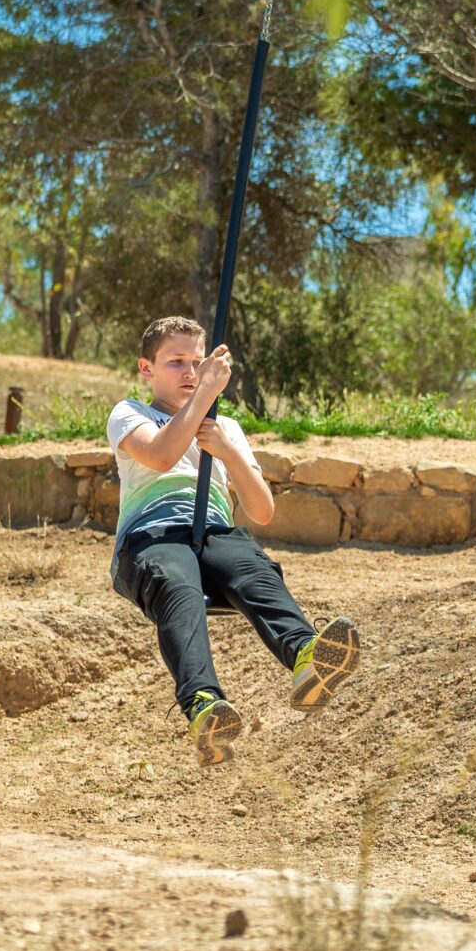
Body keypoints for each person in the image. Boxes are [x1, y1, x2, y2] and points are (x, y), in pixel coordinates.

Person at [108, 315, 362, 766]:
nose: (189, 372)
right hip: (153, 539)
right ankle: (204, 706)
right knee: (178, 586)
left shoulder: (227, 430)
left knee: (252, 568)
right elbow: (162, 455)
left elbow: (262, 510)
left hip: (215, 532)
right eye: (176, 362)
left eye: (197, 361)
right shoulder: (131, 414)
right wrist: (206, 394)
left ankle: (306, 656)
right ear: (146, 368)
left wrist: (226, 451)